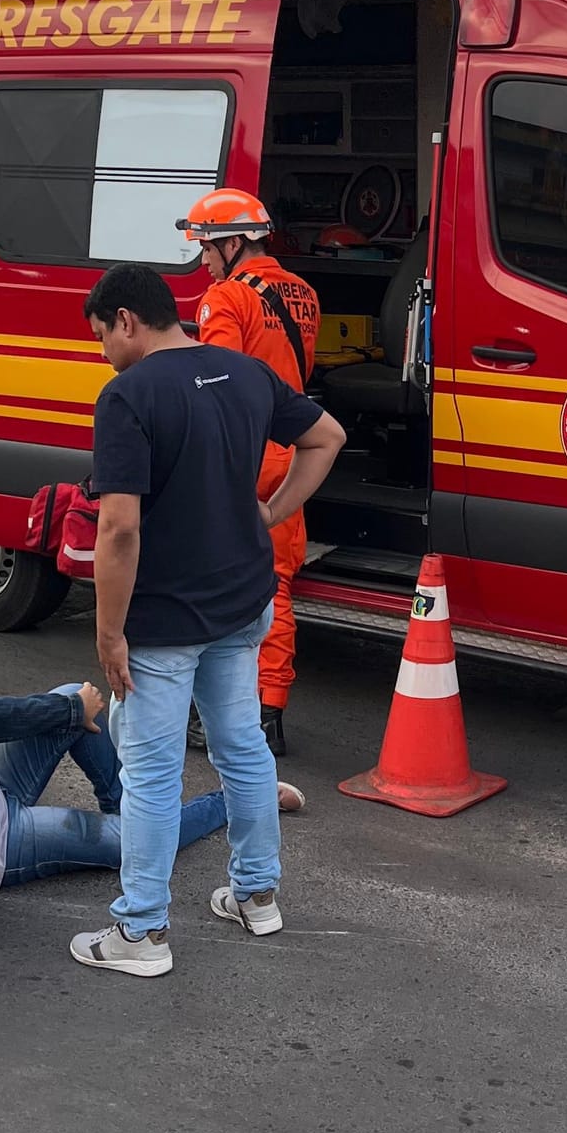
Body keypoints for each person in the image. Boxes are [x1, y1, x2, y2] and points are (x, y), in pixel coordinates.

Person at [72, 260, 344, 980]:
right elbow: (327, 437)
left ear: (127, 320)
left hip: (165, 619)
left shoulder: (126, 397)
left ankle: (142, 930)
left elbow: (119, 530)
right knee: (243, 747)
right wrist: (272, 512)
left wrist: (107, 632)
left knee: (152, 773)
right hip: (243, 598)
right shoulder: (244, 372)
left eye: (103, 335)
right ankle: (257, 894)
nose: (104, 350)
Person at [0, 678, 303, 900]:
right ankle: (233, 801)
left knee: (68, 701)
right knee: (130, 844)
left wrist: (67, 708)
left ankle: (126, 805)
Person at [182, 190, 322, 756]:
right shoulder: (305, 294)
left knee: (211, 581)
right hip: (288, 451)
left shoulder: (225, 299)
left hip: (240, 456)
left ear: (235, 242)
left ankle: (212, 711)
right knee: (278, 587)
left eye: (208, 248)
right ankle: (269, 715)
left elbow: (219, 382)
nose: (203, 262)